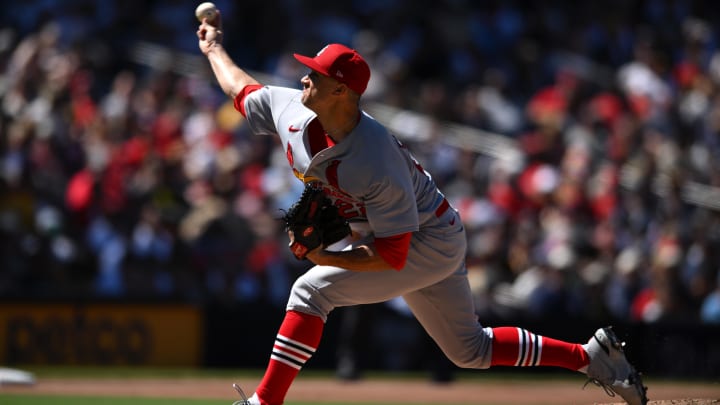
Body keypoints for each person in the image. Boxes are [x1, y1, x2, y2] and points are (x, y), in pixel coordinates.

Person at [196, 11, 648, 405]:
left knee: (310, 291)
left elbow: (393, 255)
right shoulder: (291, 110)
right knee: (471, 351)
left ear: (342, 92)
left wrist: (323, 258)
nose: (304, 78)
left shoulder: (374, 159)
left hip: (426, 240)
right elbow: (241, 89)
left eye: (316, 74)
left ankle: (264, 401)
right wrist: (214, 47)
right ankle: (591, 357)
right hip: (418, 232)